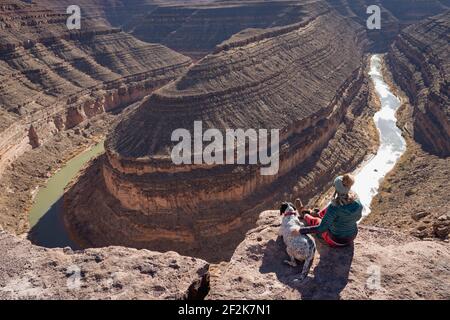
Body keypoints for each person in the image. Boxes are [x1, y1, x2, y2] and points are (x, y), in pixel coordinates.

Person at [296, 174, 363, 247]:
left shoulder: (334, 207)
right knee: (329, 210)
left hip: (335, 240)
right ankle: (317, 214)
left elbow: (321, 229)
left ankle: (304, 214)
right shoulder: (357, 201)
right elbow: (358, 217)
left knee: (317, 221)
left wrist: (300, 230)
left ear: (337, 189)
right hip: (351, 237)